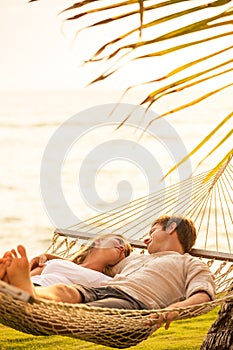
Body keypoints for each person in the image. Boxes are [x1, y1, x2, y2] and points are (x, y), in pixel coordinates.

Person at [0, 215, 216, 330]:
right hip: (105, 289)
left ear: (171, 229)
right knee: (65, 290)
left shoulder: (191, 264)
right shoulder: (136, 259)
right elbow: (89, 267)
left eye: (152, 232)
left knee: (80, 317)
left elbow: (203, 294)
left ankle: (29, 302)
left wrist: (175, 309)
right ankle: (30, 293)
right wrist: (48, 259)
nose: (145, 239)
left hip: (135, 305)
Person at [2, 234, 132, 288]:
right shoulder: (56, 263)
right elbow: (28, 278)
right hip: (25, 288)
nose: (122, 247)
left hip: (43, 299)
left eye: (125, 251)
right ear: (97, 242)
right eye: (119, 241)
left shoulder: (109, 282)